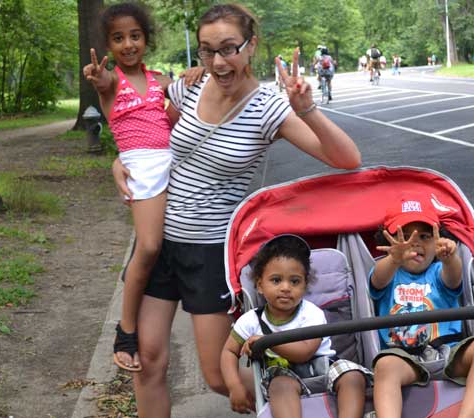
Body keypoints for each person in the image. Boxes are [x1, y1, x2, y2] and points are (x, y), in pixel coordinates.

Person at [111, 4, 361, 417]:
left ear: (251, 46)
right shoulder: (187, 87)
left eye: (228, 48)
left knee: (217, 376)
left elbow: (346, 158)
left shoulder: (267, 108)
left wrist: (306, 110)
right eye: (207, 51)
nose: (218, 62)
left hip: (210, 252)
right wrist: (122, 161)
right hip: (159, 242)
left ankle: (305, 398)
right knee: (148, 362)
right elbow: (150, 138)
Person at [83, 2, 177, 374]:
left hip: (175, 164)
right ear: (108, 45)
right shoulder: (111, 82)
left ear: (146, 39)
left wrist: (196, 73)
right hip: (143, 169)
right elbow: (102, 82)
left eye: (134, 36)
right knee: (149, 245)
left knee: (166, 245)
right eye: (118, 38)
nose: (128, 44)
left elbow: (183, 108)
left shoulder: (161, 81)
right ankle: (125, 332)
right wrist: (97, 75)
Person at [369, 192, 474, 418]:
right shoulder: (388, 273)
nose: (416, 243)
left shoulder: (439, 272)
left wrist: (451, 258)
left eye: (424, 236)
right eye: (406, 237)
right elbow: (377, 281)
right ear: (389, 243)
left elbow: (453, 278)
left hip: (449, 351)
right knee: (385, 367)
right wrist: (394, 259)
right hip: (404, 357)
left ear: (437, 240)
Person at [221, 235, 371, 417]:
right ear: (260, 285)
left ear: (305, 285)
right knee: (278, 385)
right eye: (276, 280)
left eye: (295, 281)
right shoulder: (250, 320)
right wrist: (234, 385)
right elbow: (229, 352)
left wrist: (267, 342)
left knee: (353, 375)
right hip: (285, 378)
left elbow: (305, 352)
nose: (285, 288)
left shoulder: (311, 313)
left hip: (323, 369)